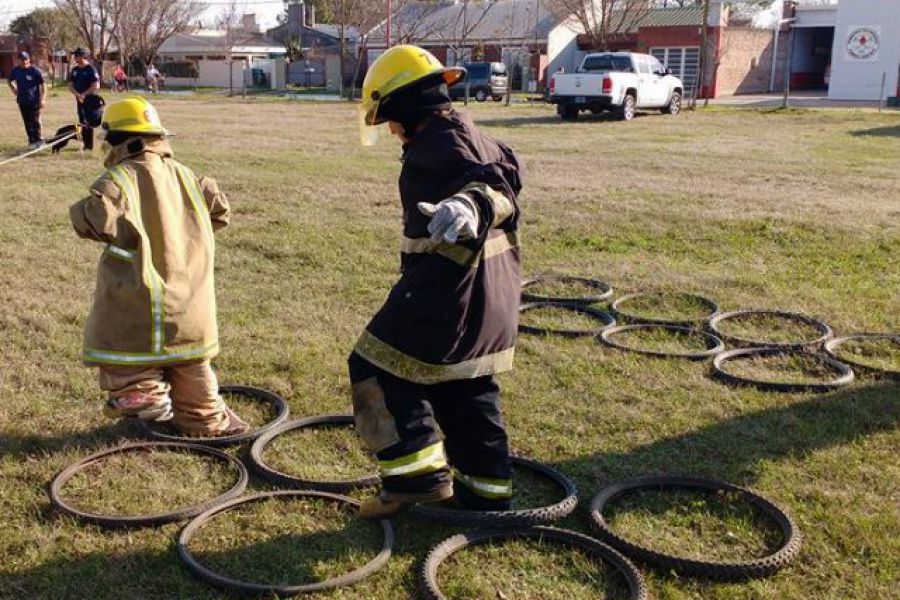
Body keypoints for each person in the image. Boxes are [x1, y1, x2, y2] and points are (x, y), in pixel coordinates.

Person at [351, 45, 524, 518]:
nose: (389, 130)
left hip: (449, 294)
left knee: (372, 365)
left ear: (404, 108)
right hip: (491, 297)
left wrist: (473, 205)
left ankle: (416, 479)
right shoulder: (468, 132)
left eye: (388, 118)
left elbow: (496, 186)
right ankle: (487, 496)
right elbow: (509, 169)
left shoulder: (440, 146)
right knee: (464, 387)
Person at [68, 96, 249, 437]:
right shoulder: (188, 175)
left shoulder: (118, 180)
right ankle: (205, 421)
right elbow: (220, 212)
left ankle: (142, 395)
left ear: (119, 140)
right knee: (193, 368)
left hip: (139, 303)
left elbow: (92, 222)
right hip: (192, 305)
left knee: (124, 353)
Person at [7, 51, 46, 148]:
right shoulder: (16, 71)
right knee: (27, 122)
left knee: (35, 121)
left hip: (34, 101)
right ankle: (32, 141)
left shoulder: (35, 71)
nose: (24, 61)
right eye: (21, 59)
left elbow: (43, 85)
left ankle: (39, 140)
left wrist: (43, 99)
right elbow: (9, 80)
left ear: (29, 59)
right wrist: (13, 88)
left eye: (25, 59)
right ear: (18, 60)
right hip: (22, 101)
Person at [67, 48, 101, 150]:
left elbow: (96, 85)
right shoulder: (75, 70)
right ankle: (86, 143)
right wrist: (77, 94)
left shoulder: (90, 69)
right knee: (82, 121)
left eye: (76, 55)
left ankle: (91, 144)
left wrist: (84, 94)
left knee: (90, 121)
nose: (75, 57)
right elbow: (70, 85)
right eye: (74, 55)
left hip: (90, 100)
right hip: (79, 99)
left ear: (82, 56)